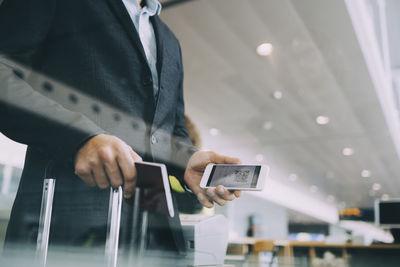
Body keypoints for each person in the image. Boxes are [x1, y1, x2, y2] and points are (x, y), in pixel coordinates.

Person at [0, 0, 241, 250]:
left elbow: (171, 129)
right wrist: (80, 137)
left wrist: (188, 160)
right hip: (63, 225)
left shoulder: (170, 41)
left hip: (154, 232)